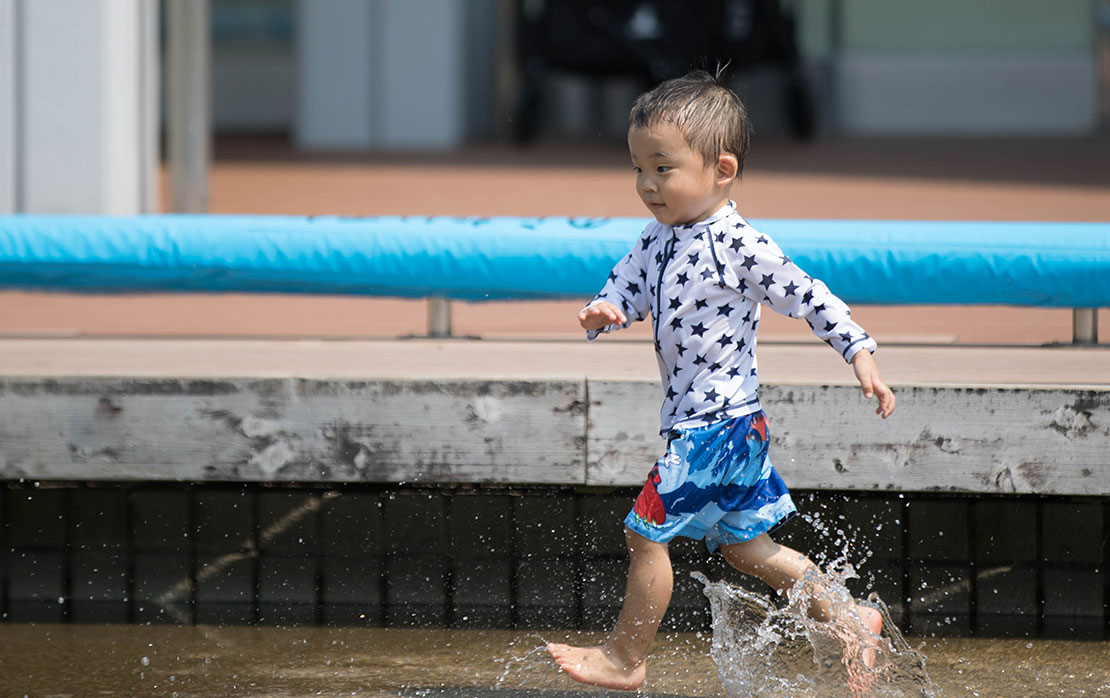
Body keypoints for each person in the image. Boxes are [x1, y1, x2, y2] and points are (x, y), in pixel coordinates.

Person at [546, 70, 896, 692]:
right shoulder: (657, 237)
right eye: (638, 170)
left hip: (716, 426)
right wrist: (610, 308)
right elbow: (626, 281)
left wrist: (859, 352)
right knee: (746, 550)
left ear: (722, 170)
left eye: (663, 168)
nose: (647, 185)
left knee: (643, 531)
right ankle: (851, 619)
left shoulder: (738, 243)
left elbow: (808, 295)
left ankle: (625, 658)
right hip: (729, 428)